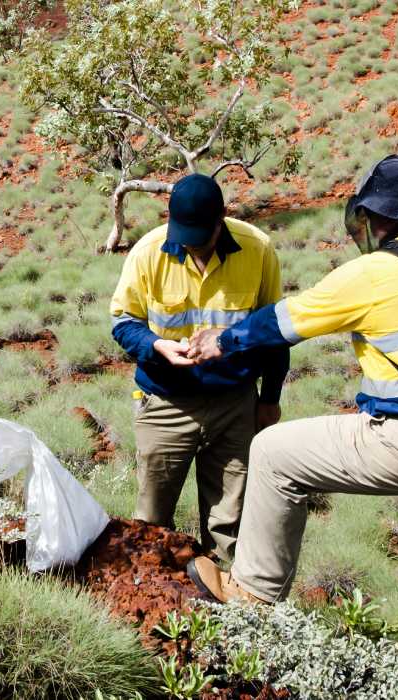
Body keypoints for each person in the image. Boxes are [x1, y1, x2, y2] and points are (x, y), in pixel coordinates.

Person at [179, 154, 398, 700]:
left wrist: (215, 341)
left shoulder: (376, 272)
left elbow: (282, 322)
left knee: (273, 451)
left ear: (380, 218)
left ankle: (249, 599)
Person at [108, 173, 288, 565]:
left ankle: (226, 604)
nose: (191, 244)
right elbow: (123, 323)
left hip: (234, 404)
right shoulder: (147, 252)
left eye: (200, 235)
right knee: (152, 522)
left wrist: (269, 399)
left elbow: (276, 330)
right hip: (166, 402)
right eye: (183, 233)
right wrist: (156, 345)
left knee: (231, 524)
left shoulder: (257, 249)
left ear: (222, 217)